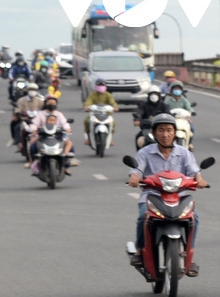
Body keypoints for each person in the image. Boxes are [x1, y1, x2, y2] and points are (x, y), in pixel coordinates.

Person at [128, 113, 207, 275]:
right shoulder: (145, 152)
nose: (165, 134)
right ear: (154, 133)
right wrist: (134, 177)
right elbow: (136, 170)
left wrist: (200, 179)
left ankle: (189, 256)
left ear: (174, 132)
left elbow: (194, 171)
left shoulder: (184, 153)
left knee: (194, 217)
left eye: (169, 130)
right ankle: (139, 250)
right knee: (144, 216)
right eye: (161, 130)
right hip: (152, 196)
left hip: (179, 197)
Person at [82, 79, 120, 146]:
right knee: (87, 120)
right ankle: (88, 139)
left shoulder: (108, 95)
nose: (101, 86)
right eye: (99, 85)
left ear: (105, 86)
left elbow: (112, 103)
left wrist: (115, 107)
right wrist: (86, 107)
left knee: (113, 122)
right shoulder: (92, 95)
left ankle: (110, 139)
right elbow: (88, 102)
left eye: (102, 85)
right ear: (96, 86)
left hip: (106, 114)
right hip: (94, 114)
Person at [10, 83, 43, 150]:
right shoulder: (21, 100)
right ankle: (19, 143)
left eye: (34, 90)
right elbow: (18, 109)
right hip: (24, 119)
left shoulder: (40, 101)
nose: (32, 91)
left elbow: (43, 109)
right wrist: (18, 113)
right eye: (31, 89)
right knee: (17, 127)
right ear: (27, 90)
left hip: (37, 121)